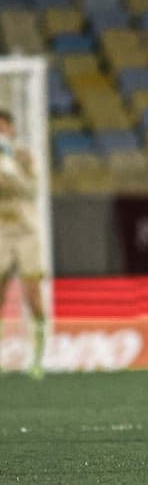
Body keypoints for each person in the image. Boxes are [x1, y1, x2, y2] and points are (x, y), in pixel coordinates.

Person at [0, 109, 46, 378]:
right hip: (2, 232)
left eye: (3, 127)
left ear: (12, 130)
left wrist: (14, 173)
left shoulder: (25, 156)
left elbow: (32, 190)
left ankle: (38, 358)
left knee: (32, 294)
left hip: (26, 231)